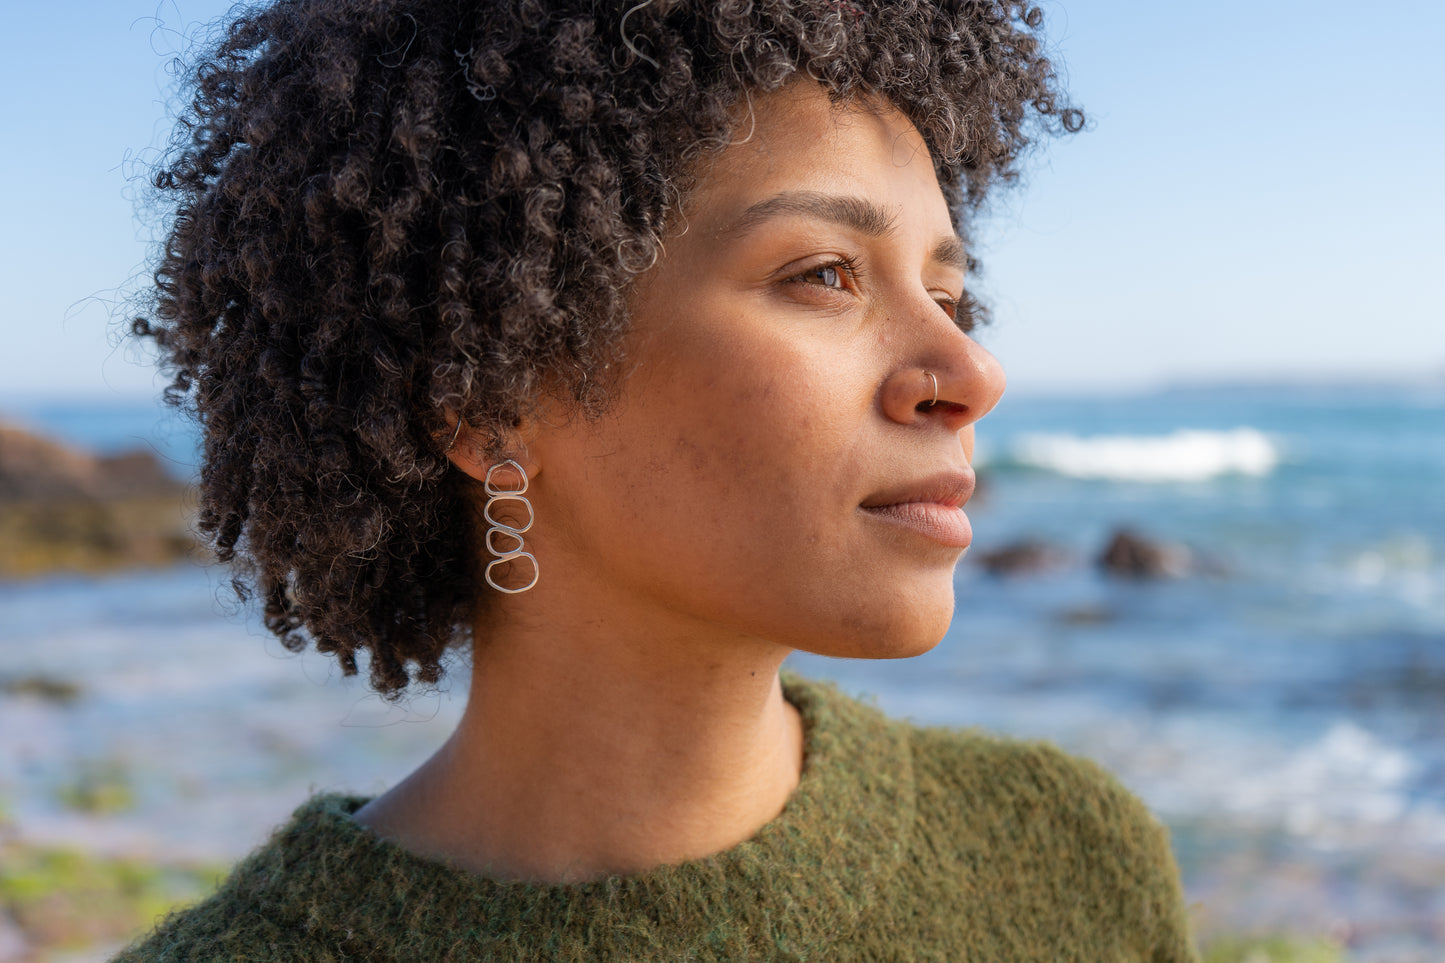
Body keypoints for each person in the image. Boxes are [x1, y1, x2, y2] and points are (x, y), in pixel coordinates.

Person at [118, 0, 1199, 958]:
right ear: (487, 396)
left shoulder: (1069, 866)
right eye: (823, 275)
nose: (969, 372)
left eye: (945, 293)